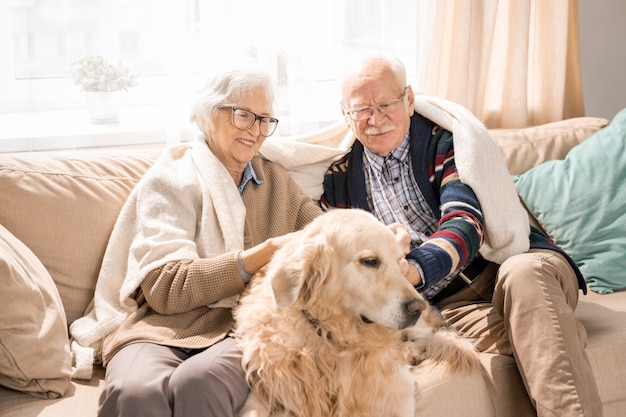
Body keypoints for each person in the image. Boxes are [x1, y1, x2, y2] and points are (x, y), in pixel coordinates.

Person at [320, 55, 603, 417]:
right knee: (542, 340)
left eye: (385, 104)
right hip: (451, 307)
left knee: (526, 279)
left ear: (408, 100)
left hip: (509, 264)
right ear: (345, 115)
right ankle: (548, 324)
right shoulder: (339, 181)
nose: (374, 119)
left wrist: (414, 268)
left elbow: (465, 221)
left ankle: (542, 316)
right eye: (361, 109)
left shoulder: (446, 142)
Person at [70, 68, 323, 416]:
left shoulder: (276, 181)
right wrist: (259, 257)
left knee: (200, 382)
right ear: (208, 113)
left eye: (264, 119)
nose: (255, 130)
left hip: (243, 327)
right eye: (242, 115)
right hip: (161, 328)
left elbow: (330, 235)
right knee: (136, 392)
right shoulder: (172, 180)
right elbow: (164, 286)